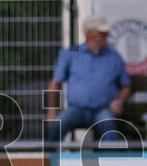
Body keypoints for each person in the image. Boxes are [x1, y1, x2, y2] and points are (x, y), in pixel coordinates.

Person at [45, 15, 132, 144]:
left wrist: (119, 101)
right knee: (56, 126)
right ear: (90, 34)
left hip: (103, 109)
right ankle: (50, 156)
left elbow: (126, 87)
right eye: (103, 33)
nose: (107, 35)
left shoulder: (114, 56)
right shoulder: (70, 52)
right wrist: (52, 112)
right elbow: (55, 83)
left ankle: (112, 156)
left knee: (110, 130)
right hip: (75, 109)